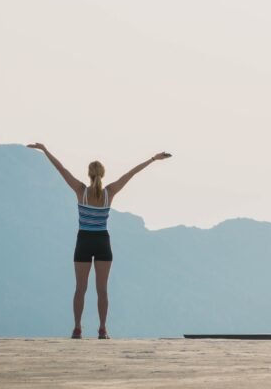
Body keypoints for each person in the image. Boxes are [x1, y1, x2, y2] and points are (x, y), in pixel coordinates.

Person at [27, 142, 171, 339]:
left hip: (84, 241)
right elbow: (131, 174)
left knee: (80, 289)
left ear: (89, 174)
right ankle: (103, 329)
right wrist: (153, 159)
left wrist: (45, 150)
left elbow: (61, 169)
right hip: (102, 241)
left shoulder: (80, 190)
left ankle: (77, 328)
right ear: (102, 174)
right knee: (102, 290)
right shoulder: (109, 192)